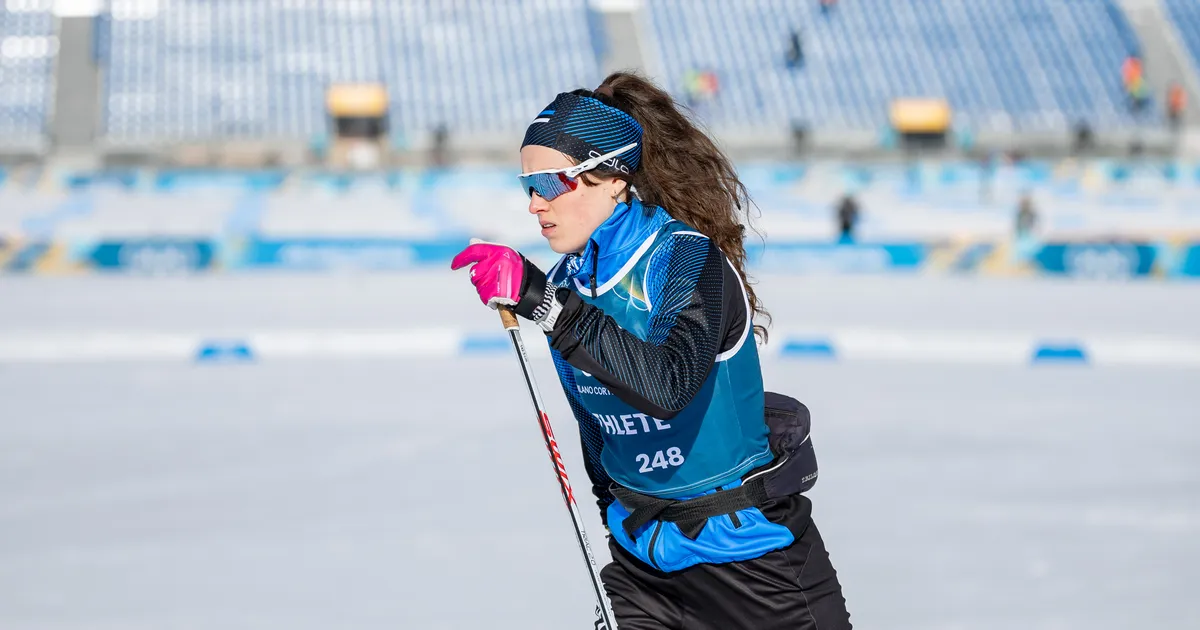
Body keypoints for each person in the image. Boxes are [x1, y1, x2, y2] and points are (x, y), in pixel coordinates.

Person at [451, 72, 852, 629]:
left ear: (612, 176)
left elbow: (667, 386)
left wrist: (544, 303)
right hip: (644, 572)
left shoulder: (686, 258)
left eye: (549, 182)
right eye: (527, 187)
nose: (535, 204)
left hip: (754, 567)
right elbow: (598, 432)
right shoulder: (574, 282)